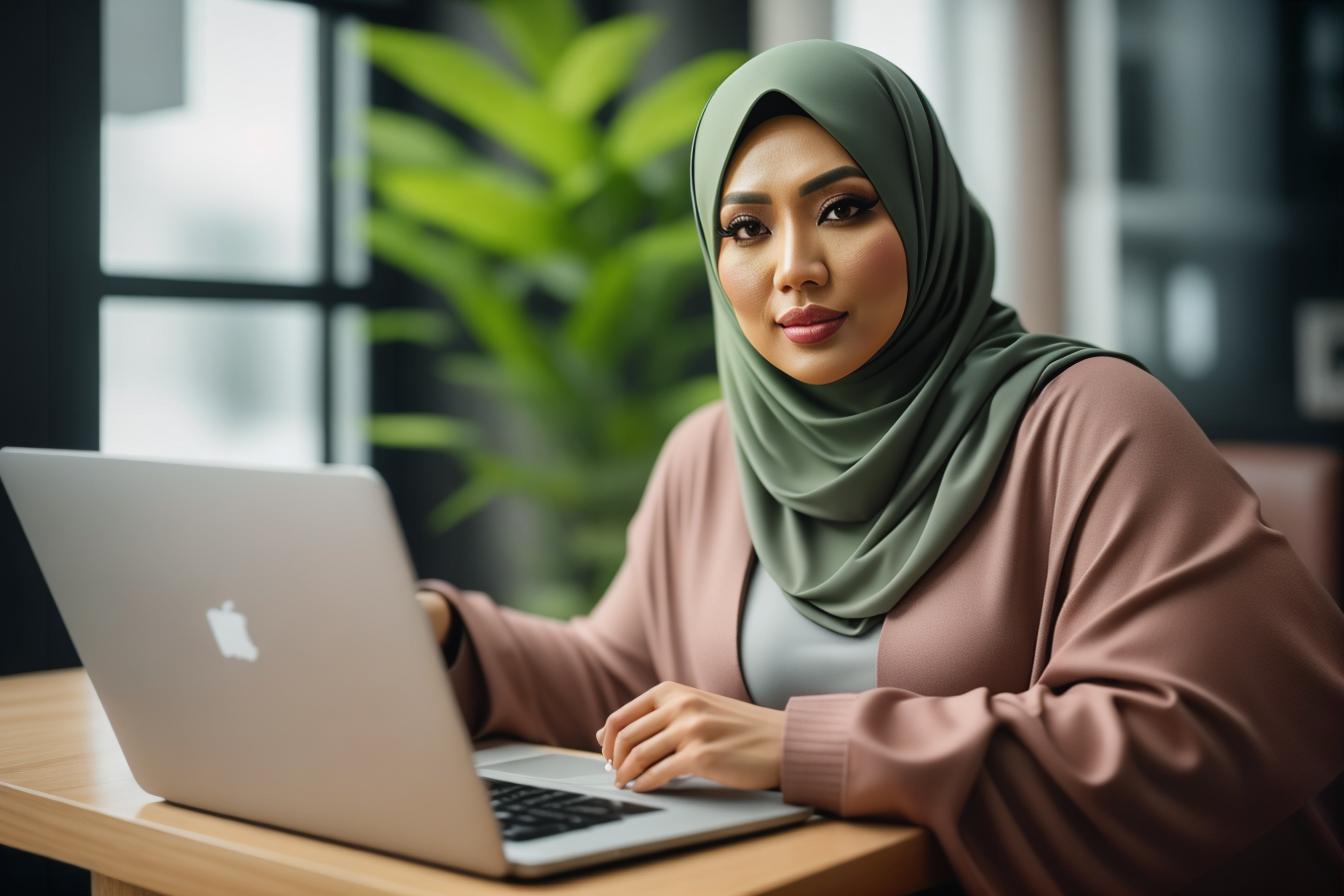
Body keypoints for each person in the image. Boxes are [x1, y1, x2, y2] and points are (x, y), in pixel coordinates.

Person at [413, 40, 1344, 894]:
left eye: (845, 209)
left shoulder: (1086, 421)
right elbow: (620, 677)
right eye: (746, 229)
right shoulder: (712, 450)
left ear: (924, 210)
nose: (796, 268)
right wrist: (453, 640)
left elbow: (1205, 734)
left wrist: (805, 748)